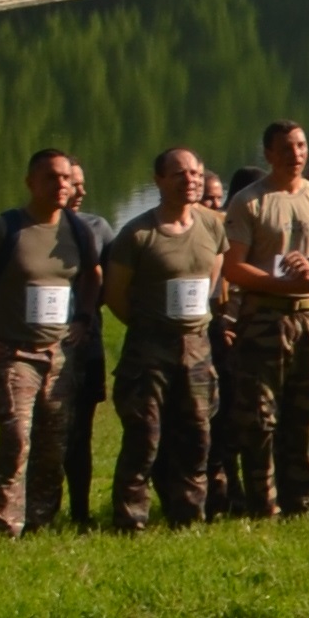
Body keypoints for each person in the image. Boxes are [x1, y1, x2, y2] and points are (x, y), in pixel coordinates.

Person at [0, 150, 111, 535]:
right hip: (14, 354)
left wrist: (84, 319)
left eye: (66, 179)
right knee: (16, 438)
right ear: (30, 182)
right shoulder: (4, 229)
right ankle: (3, 525)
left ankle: (40, 521)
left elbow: (93, 275)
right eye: (51, 178)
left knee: (53, 445)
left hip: (60, 355)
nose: (61, 186)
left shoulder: (78, 230)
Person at [214, 122, 309, 521]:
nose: (295, 154)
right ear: (267, 153)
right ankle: (262, 502)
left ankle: (303, 500)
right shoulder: (250, 201)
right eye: (285, 148)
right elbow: (234, 269)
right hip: (265, 319)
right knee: (260, 417)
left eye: (301, 146)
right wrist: (280, 285)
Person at [102, 149, 227, 529]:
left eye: (196, 173)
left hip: (198, 351)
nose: (190, 179)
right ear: (158, 181)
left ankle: (188, 515)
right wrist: (151, 328)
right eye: (179, 174)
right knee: (144, 438)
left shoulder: (212, 225)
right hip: (149, 353)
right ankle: (130, 520)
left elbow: (214, 280)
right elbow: (116, 296)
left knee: (197, 436)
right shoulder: (137, 234)